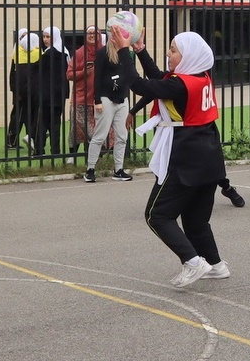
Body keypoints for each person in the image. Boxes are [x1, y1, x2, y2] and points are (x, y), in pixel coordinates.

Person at [113, 26, 228, 288]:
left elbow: (141, 85)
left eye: (174, 50)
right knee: (196, 221)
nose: (169, 52)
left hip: (186, 156)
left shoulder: (181, 84)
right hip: (209, 157)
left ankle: (193, 261)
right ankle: (216, 265)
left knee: (157, 215)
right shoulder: (201, 76)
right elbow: (160, 81)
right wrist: (140, 50)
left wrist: (123, 50)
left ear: (188, 56)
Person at [83, 22, 133, 183]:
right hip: (105, 98)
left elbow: (131, 74)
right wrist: (97, 100)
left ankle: (119, 169)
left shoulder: (127, 53)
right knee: (100, 135)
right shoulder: (102, 53)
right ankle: (90, 169)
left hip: (122, 98)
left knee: (122, 136)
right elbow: (97, 77)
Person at [32, 26, 70, 156]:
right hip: (59, 95)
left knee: (41, 123)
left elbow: (38, 74)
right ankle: (56, 151)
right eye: (44, 36)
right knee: (55, 123)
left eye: (48, 37)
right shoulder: (65, 52)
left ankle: (39, 150)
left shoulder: (47, 55)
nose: (45, 39)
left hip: (46, 95)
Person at [66, 26, 103, 159]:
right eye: (89, 33)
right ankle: (72, 156)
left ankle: (96, 156)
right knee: (76, 129)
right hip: (80, 98)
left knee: (97, 130)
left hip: (100, 100)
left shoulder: (104, 52)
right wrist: (83, 72)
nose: (92, 35)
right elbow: (69, 74)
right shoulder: (80, 53)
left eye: (94, 33)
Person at [6, 30, 41, 150]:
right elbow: (14, 74)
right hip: (25, 91)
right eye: (23, 36)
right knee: (20, 115)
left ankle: (27, 139)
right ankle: (13, 140)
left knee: (25, 115)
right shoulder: (22, 53)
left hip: (23, 91)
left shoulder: (18, 53)